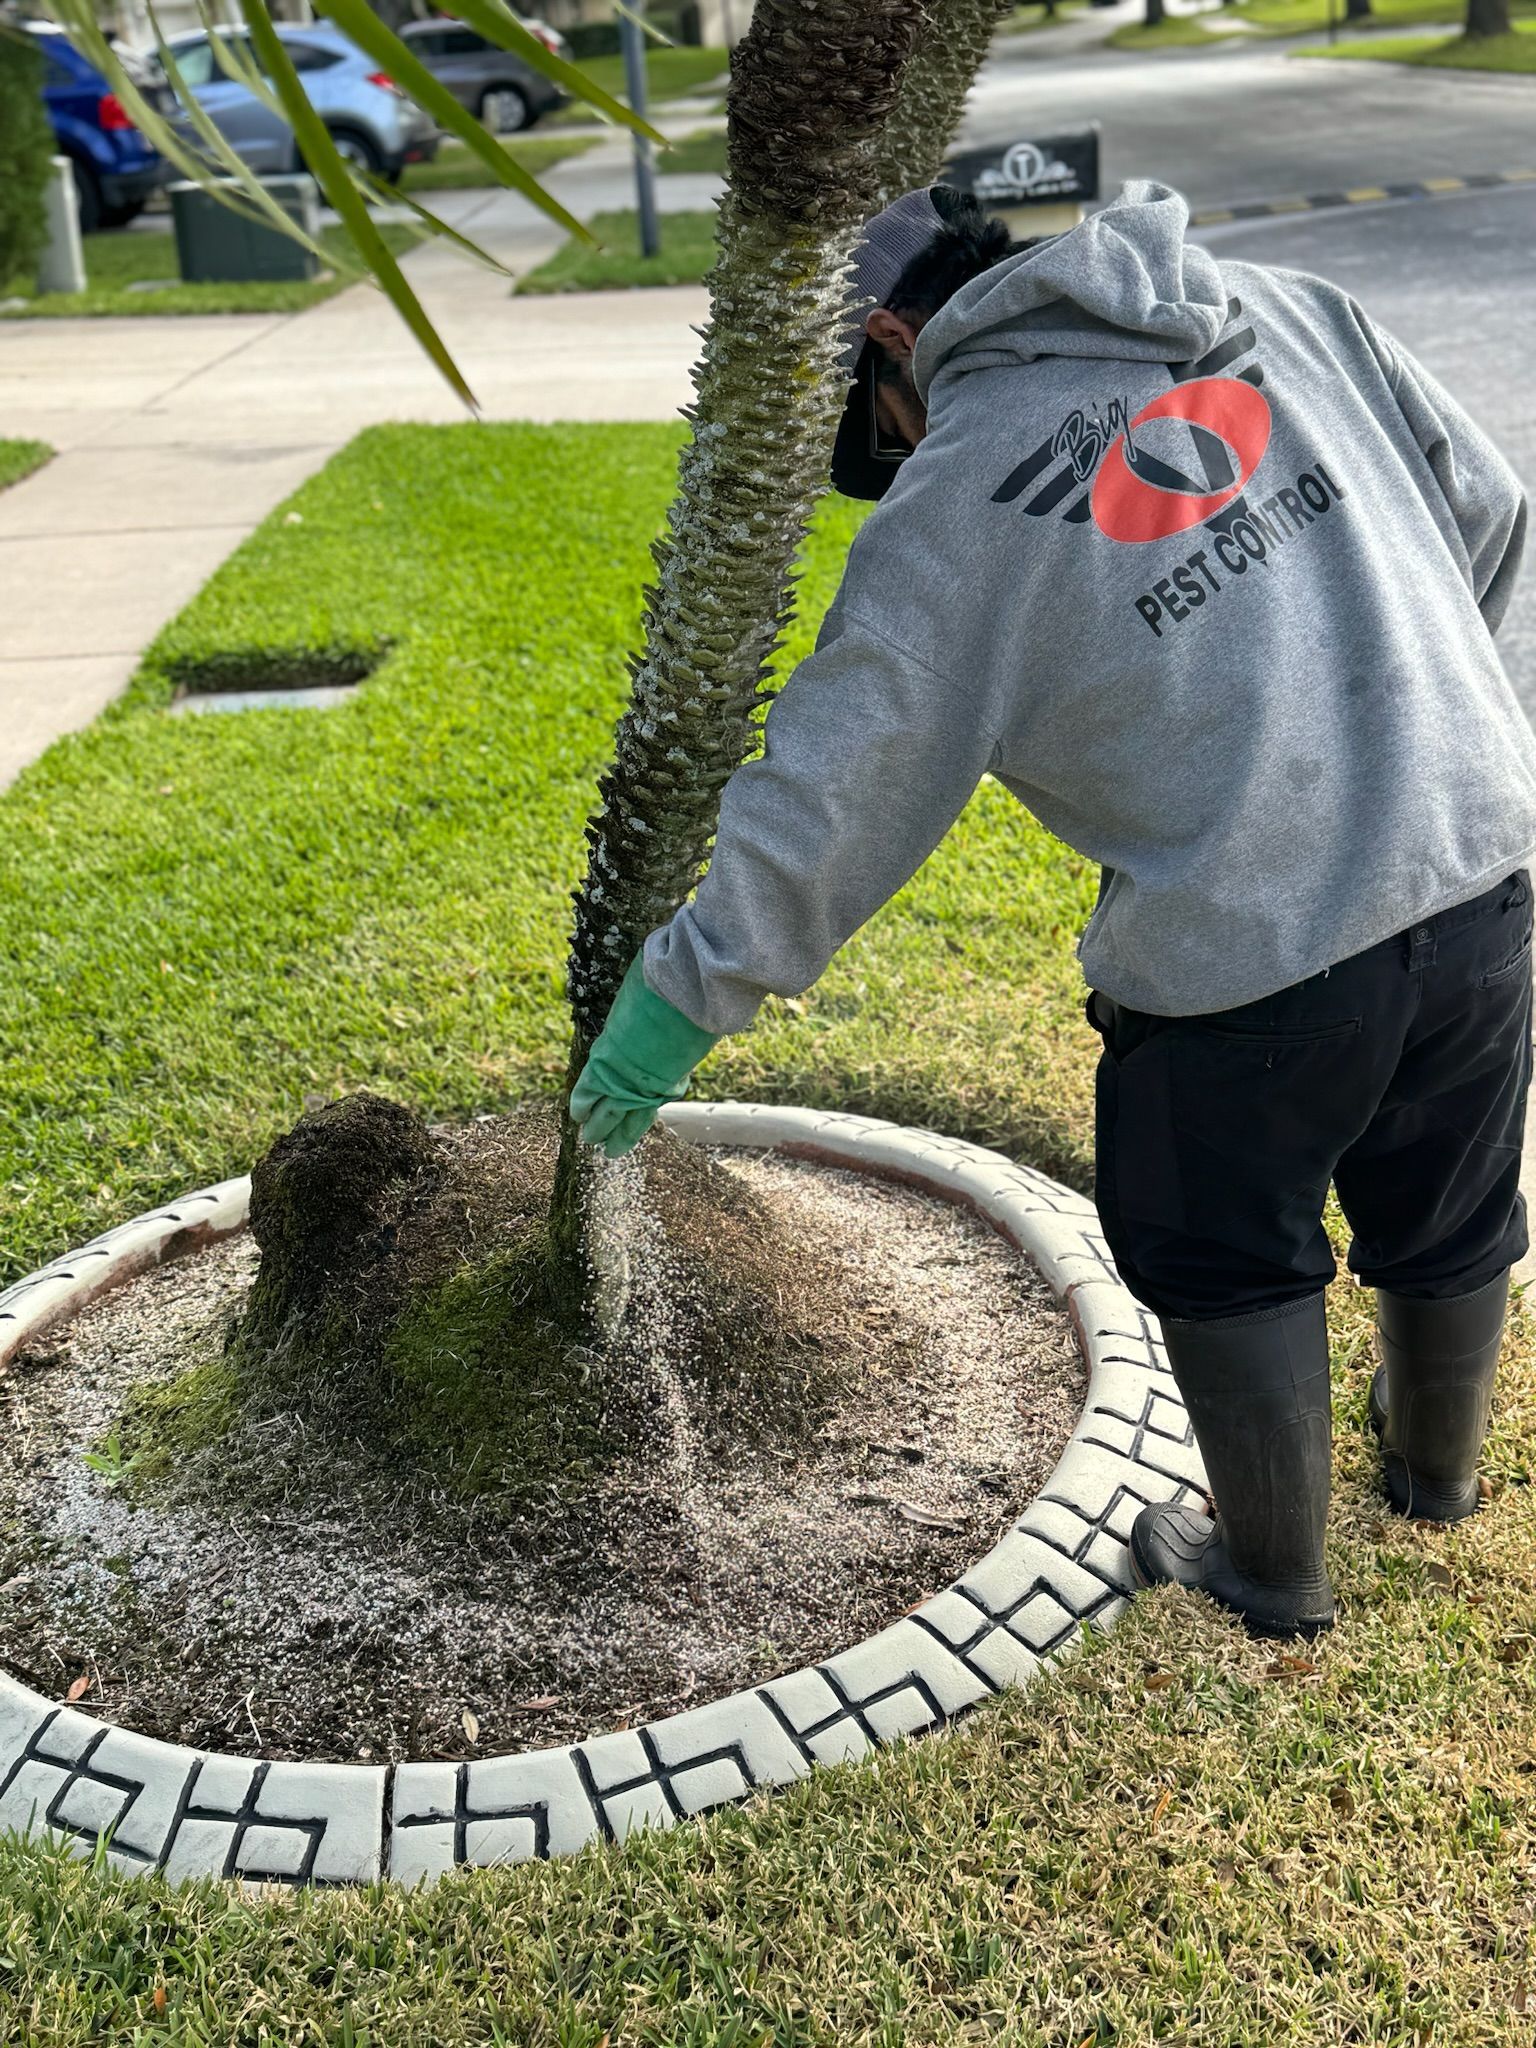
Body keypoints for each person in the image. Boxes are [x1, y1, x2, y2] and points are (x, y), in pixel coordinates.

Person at [571, 179, 1536, 1641]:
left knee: (1221, 1240)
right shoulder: (1284, 305)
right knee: (1450, 1196)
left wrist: (663, 1024)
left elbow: (838, 792)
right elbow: (1489, 501)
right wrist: (1407, 734)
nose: (893, 466)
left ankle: (1271, 1572)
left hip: (1250, 957)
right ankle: (1436, 1484)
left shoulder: (961, 494)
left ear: (898, 341)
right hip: (1482, 869)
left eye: (872, 435)